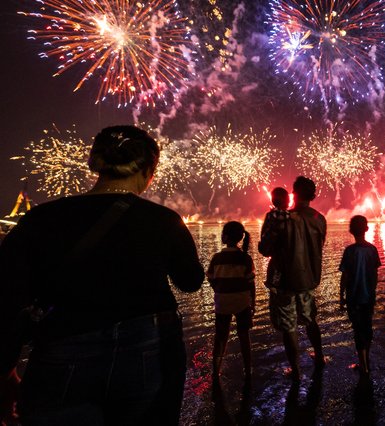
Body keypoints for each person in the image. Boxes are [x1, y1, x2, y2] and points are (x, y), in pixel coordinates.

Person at [0, 125, 204, 425]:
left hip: (61, 352)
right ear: (150, 170)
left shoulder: (41, 218)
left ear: (95, 163)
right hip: (147, 351)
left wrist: (5, 370)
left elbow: (7, 296)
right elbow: (190, 282)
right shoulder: (164, 221)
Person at [269, 176, 327, 380]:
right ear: (312, 195)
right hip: (309, 279)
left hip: (286, 281)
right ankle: (319, 357)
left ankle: (295, 369)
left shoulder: (285, 217)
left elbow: (269, 248)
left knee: (289, 326)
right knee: (311, 319)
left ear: (293, 194)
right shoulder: (320, 219)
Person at [207, 221, 255, 382]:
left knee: (220, 337)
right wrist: (252, 304)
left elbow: (211, 278)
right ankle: (248, 370)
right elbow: (251, 283)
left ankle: (216, 370)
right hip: (242, 302)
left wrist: (219, 289)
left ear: (225, 237)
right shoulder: (246, 258)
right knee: (244, 336)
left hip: (222, 302)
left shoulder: (217, 258)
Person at [339, 215, 381, 376]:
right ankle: (366, 360)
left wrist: (341, 296)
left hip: (354, 298)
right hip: (368, 297)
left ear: (351, 231)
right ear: (367, 229)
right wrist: (373, 292)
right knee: (367, 327)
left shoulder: (350, 251)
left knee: (358, 329)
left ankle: (363, 365)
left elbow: (345, 276)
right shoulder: (372, 250)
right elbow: (375, 275)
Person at [258, 187, 290, 290]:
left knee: (276, 295)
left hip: (276, 265)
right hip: (292, 265)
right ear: (287, 200)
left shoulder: (270, 216)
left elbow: (264, 245)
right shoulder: (293, 216)